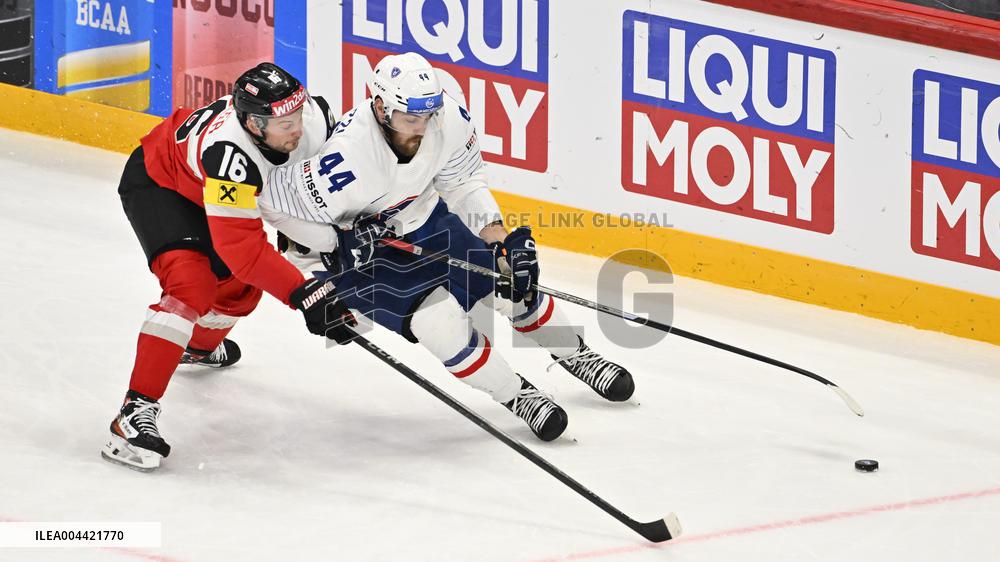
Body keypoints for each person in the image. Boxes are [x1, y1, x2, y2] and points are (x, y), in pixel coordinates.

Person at [260, 53, 635, 442]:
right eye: (411, 118)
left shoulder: (447, 117)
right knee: (439, 325)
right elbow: (274, 207)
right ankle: (517, 395)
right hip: (361, 257)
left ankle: (576, 354)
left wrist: (499, 239)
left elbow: (463, 182)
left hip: (422, 218)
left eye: (428, 114)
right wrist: (333, 252)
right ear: (380, 107)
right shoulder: (344, 162)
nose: (422, 127)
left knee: (508, 283)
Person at [104, 63, 352, 471]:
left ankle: (197, 349)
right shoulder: (229, 154)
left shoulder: (317, 120)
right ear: (253, 124)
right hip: (163, 183)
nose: (297, 130)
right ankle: (132, 414)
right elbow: (243, 249)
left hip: (213, 195)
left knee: (240, 290)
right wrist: (305, 293)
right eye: (283, 123)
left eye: (297, 115)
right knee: (191, 288)